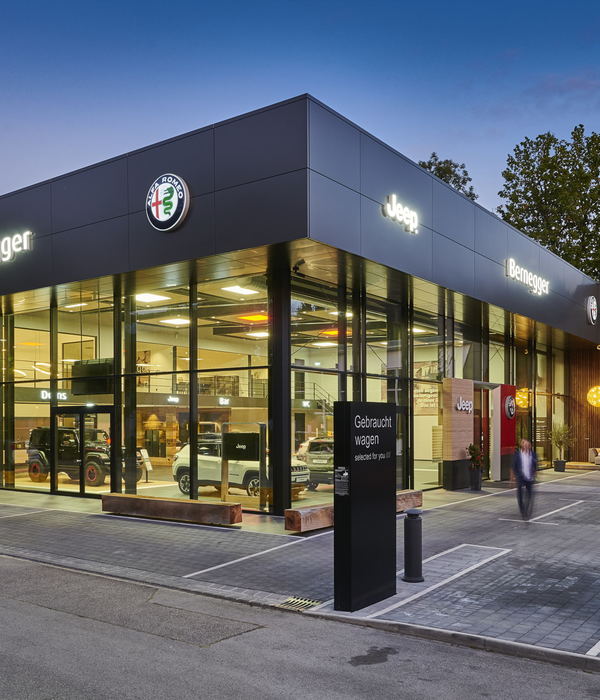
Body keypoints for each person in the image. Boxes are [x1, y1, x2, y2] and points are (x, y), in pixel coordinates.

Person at [513, 439, 537, 519]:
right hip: (520, 477)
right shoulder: (518, 454)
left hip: (529, 478)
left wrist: (535, 472)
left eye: (528, 445)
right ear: (522, 446)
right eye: (525, 445)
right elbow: (514, 466)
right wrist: (513, 477)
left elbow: (535, 465)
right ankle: (523, 511)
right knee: (520, 495)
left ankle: (526, 510)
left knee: (529, 495)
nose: (527, 446)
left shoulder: (533, 454)